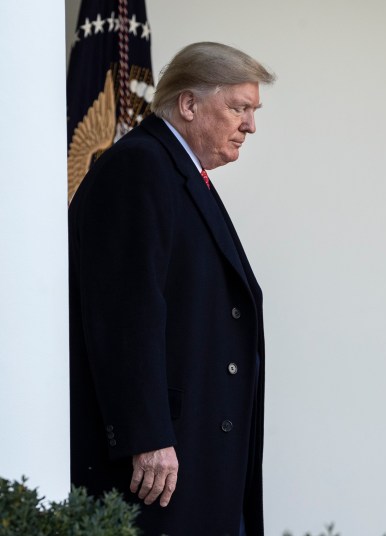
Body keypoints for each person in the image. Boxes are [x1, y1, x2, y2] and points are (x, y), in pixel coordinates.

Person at [68, 42, 274, 536]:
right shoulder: (139, 165)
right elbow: (125, 311)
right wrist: (147, 434)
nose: (250, 125)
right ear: (188, 104)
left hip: (200, 453)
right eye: (239, 108)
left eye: (252, 111)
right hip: (160, 465)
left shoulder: (178, 171)